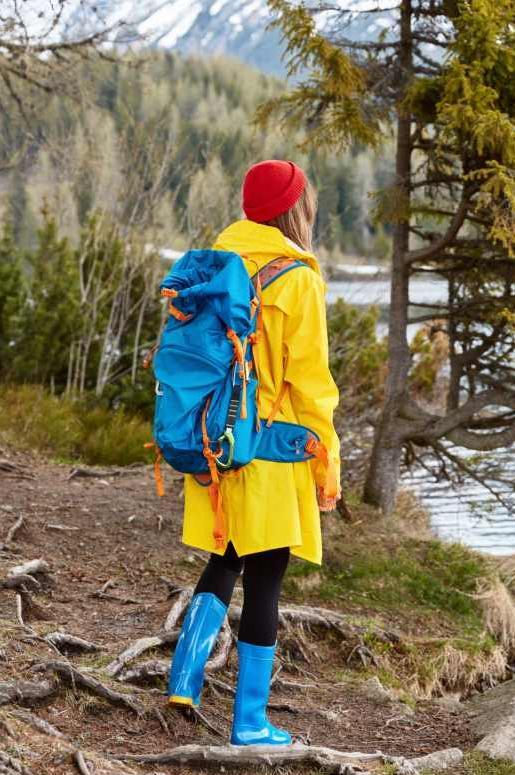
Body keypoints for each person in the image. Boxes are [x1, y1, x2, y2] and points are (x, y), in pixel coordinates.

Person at [168, 159, 341, 746]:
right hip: (271, 448)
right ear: (296, 209)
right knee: (266, 575)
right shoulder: (297, 277)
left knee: (227, 556)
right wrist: (327, 458)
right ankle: (249, 722)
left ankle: (184, 678)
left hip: (216, 440)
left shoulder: (216, 264)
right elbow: (312, 383)